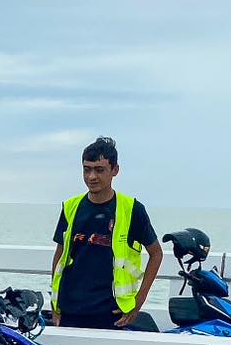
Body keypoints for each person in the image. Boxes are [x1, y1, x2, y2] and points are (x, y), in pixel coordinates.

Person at [50, 136, 164, 329]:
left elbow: (156, 253)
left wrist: (138, 301)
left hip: (111, 312)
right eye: (87, 169)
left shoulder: (131, 209)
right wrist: (55, 304)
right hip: (70, 309)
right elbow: (60, 255)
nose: (91, 177)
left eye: (99, 170)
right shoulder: (70, 207)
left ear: (115, 170)